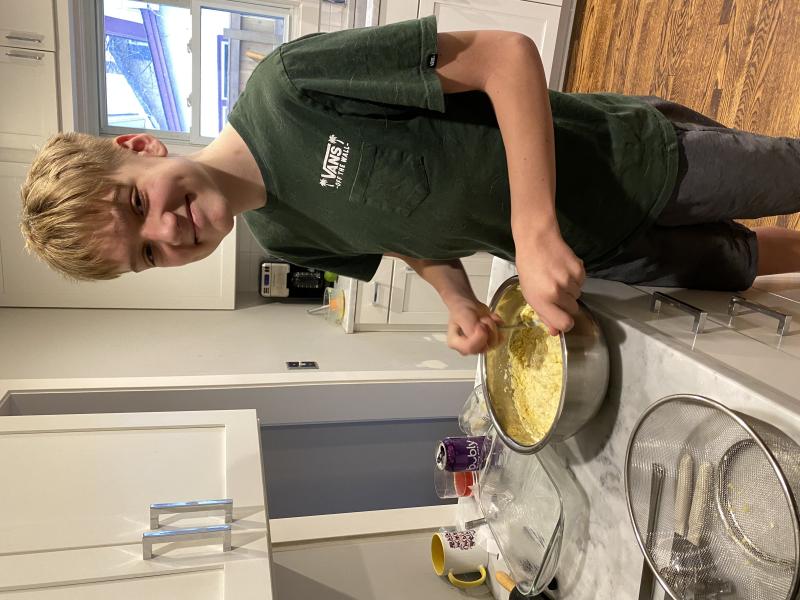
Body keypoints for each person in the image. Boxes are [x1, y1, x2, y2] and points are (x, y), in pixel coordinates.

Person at [20, 17, 800, 356]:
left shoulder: (290, 88)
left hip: (631, 160)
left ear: (139, 147)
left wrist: (532, 229)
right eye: (147, 255)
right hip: (589, 253)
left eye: (136, 204)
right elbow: (407, 237)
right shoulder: (283, 236)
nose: (167, 233)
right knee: (741, 266)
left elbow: (504, 56)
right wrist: (454, 297)